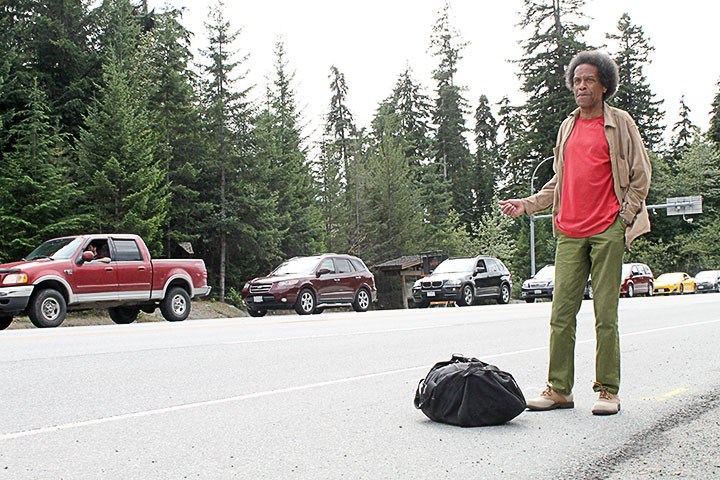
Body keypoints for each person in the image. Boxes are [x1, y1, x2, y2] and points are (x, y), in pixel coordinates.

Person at [499, 50, 651, 416]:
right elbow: (560, 179)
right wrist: (529, 203)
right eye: (577, 81)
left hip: (606, 229)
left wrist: (623, 217)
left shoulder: (620, 123)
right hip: (569, 230)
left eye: (589, 80)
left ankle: (607, 390)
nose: (581, 86)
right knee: (561, 313)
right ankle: (559, 390)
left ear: (604, 86)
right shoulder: (568, 127)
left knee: (605, 314)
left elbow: (640, 174)